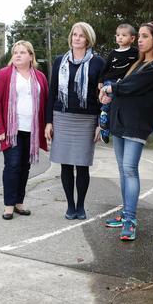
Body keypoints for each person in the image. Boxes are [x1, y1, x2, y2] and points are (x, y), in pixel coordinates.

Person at [99, 21, 153, 241]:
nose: (140, 40)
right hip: (119, 122)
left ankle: (130, 219)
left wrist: (111, 88)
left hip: (136, 125)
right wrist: (109, 94)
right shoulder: (136, 64)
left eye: (145, 36)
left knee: (129, 169)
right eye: (139, 36)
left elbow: (131, 86)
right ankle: (124, 213)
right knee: (122, 170)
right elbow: (123, 87)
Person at [45, 22, 105, 220]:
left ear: (88, 39)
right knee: (66, 165)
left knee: (82, 165)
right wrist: (49, 121)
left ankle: (81, 206)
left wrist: (100, 123)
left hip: (87, 119)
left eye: (81, 35)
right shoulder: (59, 61)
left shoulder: (98, 63)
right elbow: (52, 92)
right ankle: (70, 206)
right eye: (74, 35)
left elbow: (101, 95)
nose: (76, 38)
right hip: (62, 117)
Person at [0, 40, 49, 220]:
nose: (17, 55)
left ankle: (19, 203)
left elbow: (45, 103)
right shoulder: (4, 75)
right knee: (12, 166)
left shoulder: (40, 77)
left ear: (31, 56)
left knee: (25, 167)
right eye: (15, 52)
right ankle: (8, 205)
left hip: (32, 130)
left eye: (22, 52)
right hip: (11, 131)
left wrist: (47, 124)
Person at [97, 24, 139, 144]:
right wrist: (100, 81)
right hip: (110, 80)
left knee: (117, 102)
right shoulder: (113, 53)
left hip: (124, 82)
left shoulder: (135, 52)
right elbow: (105, 69)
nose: (120, 37)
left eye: (124, 35)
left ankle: (109, 121)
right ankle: (104, 120)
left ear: (132, 38)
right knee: (108, 98)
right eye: (118, 35)